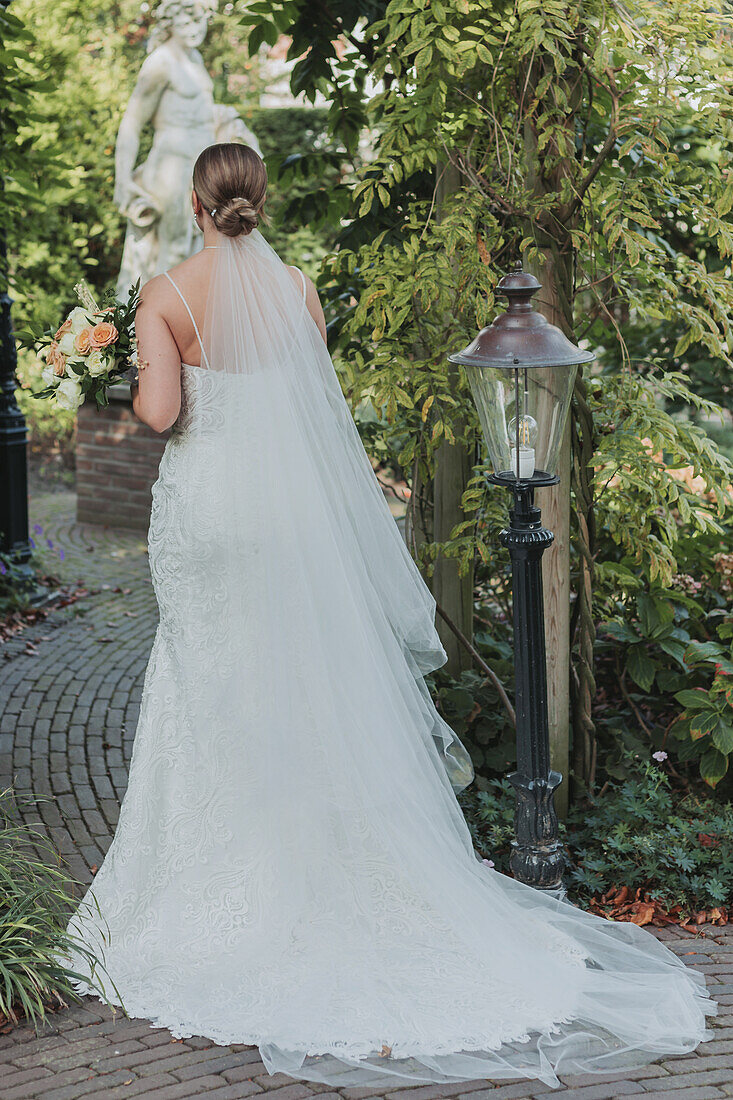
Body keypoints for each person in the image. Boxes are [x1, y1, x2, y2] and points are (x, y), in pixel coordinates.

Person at [64, 142, 715, 1090]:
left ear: (196, 207)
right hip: (290, 521)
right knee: (301, 679)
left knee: (209, 680)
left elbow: (161, 415)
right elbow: (304, 408)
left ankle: (219, 889)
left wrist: (117, 367)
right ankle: (329, 873)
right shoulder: (296, 289)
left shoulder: (165, 296)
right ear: (254, 201)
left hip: (208, 520)